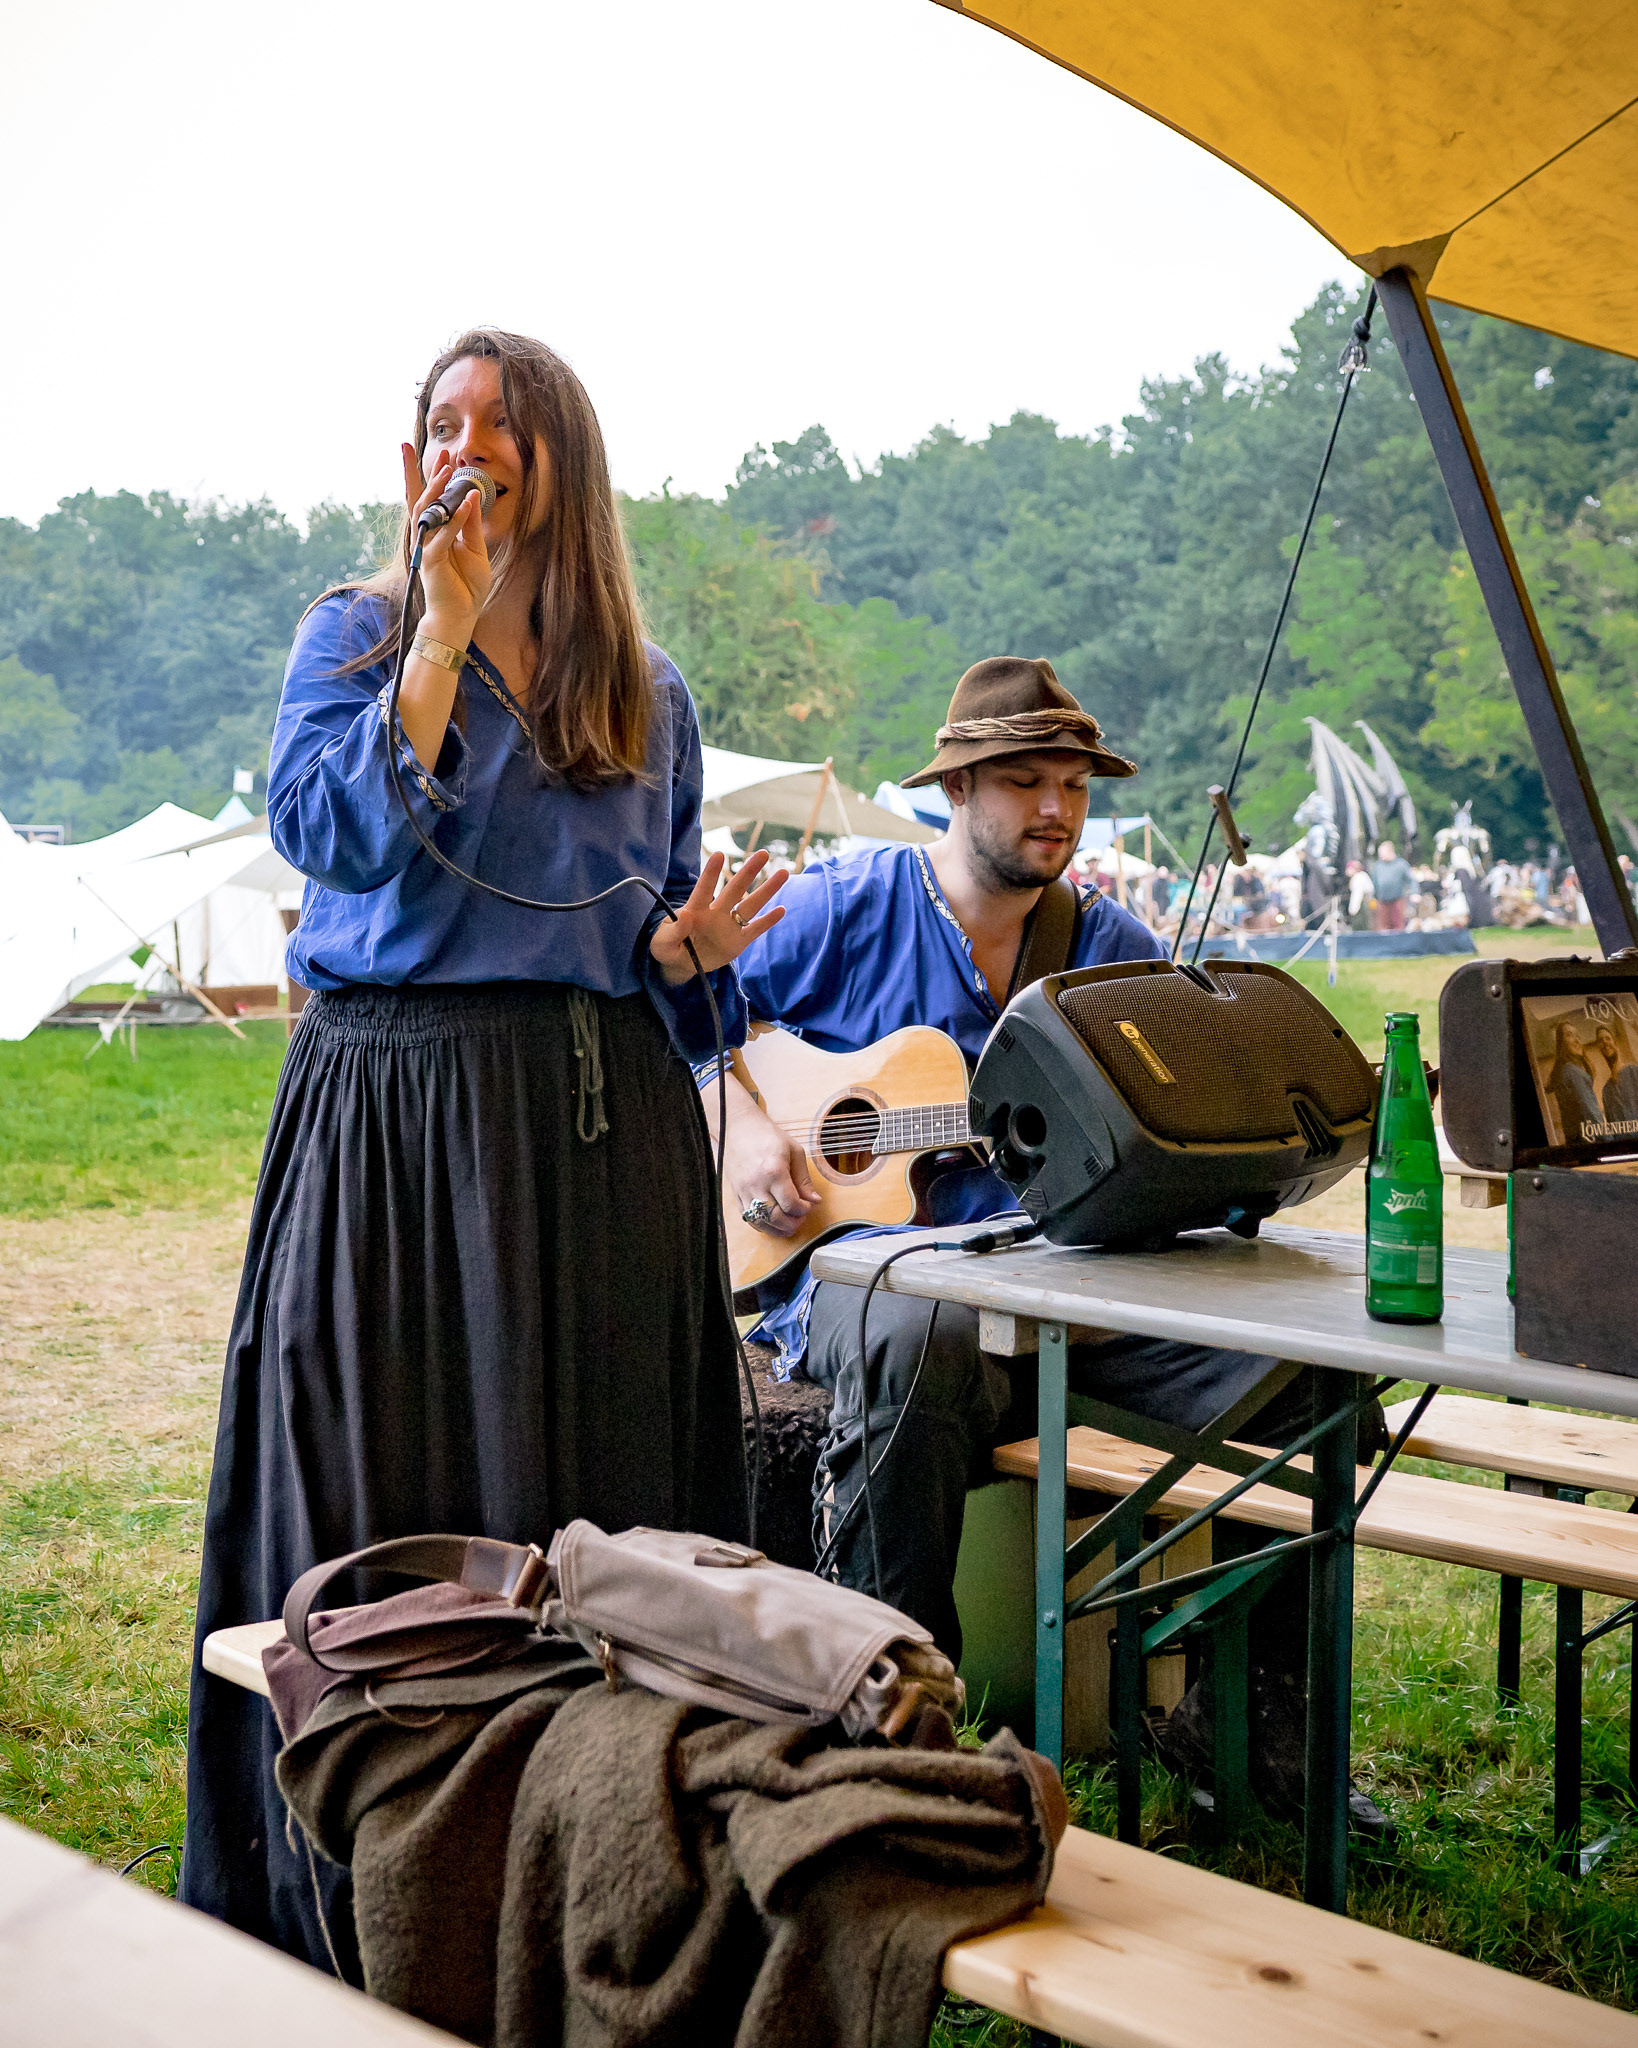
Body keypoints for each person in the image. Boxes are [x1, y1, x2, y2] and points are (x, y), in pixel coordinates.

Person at [181, 328, 786, 1970]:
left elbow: (651, 943)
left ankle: (603, 1878)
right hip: (398, 1125)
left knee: (594, 1503)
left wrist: (687, 948)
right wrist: (440, 633)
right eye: (437, 421)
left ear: (555, 464)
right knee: (382, 1499)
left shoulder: (643, 687)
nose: (462, 447)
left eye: (496, 426)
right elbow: (335, 835)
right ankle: (354, 1898)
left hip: (603, 1138)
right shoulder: (356, 633)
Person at [707, 657, 1390, 1830]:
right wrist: (754, 1126)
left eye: (1071, 785)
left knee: (1308, 1375)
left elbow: (1181, 1128)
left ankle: (1243, 1721)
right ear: (957, 789)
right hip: (872, 1289)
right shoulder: (846, 904)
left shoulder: (1108, 941)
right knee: (917, 1323)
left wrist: (1229, 1155)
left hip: (1076, 1300)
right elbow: (689, 1017)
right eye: (1024, 782)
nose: (1056, 811)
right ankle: (886, 1733)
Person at [1547, 1021, 1601, 1144]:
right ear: (1561, 1043)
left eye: (1577, 1036)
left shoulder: (1564, 1071)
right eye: (1570, 1035)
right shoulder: (1572, 1072)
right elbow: (1591, 1113)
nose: (1577, 1040)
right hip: (1590, 1143)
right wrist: (1610, 1143)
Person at [1595, 1023, 1638, 1124]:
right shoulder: (1606, 1091)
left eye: (1608, 1038)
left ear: (1616, 1044)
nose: (1604, 1042)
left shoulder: (1634, 1072)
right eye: (1600, 1040)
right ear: (1600, 1050)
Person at [1371, 840, 1413, 930]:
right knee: (1382, 927)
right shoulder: (1378, 866)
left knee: (1398, 926)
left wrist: (1415, 893)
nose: (1380, 855)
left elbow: (1411, 880)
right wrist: (1373, 898)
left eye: (1382, 853)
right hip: (1382, 901)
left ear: (1390, 852)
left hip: (1397, 900)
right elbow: (1375, 883)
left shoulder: (1401, 864)